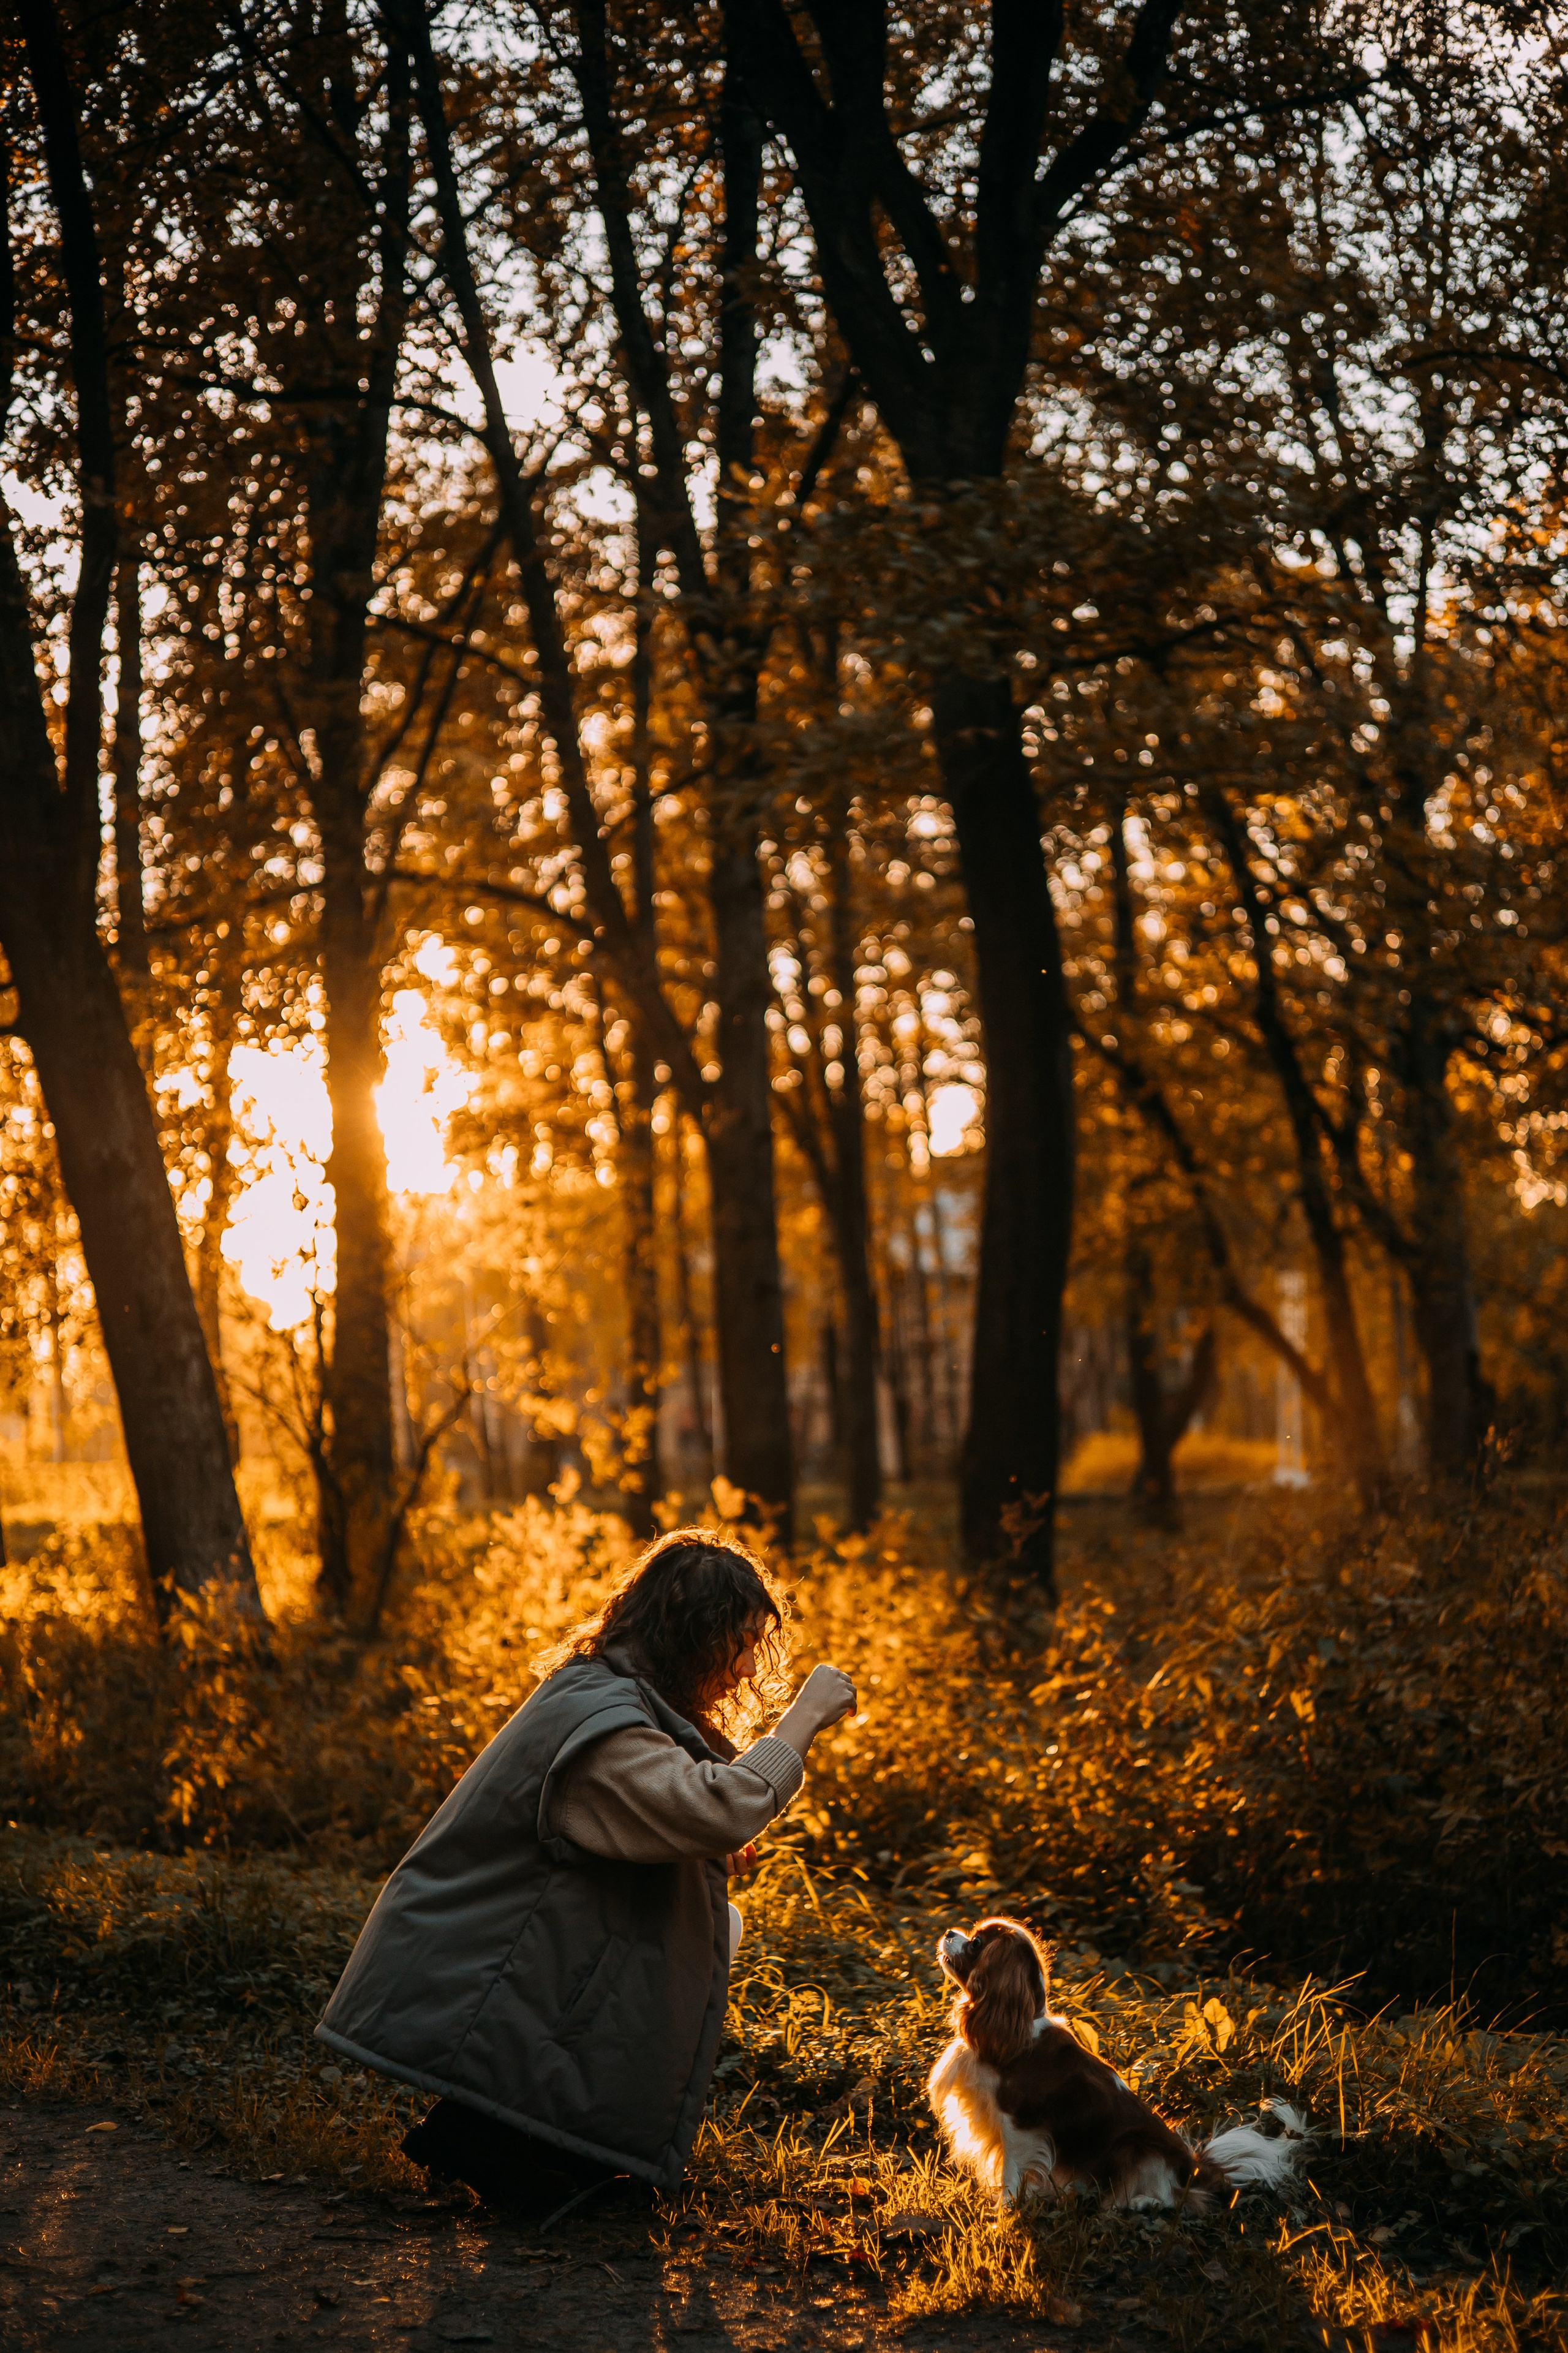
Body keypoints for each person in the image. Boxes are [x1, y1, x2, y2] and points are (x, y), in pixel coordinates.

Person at [315, 1528, 855, 2214]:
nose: (748, 1669)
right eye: (740, 1644)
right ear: (692, 1635)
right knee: (693, 1937)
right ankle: (502, 2141)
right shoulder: (606, 1720)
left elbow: (644, 1821)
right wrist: (800, 1721)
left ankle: (507, 2137)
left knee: (713, 1920)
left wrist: (695, 1848)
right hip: (484, 1952)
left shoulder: (607, 1692)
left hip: (508, 1943)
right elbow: (715, 1806)